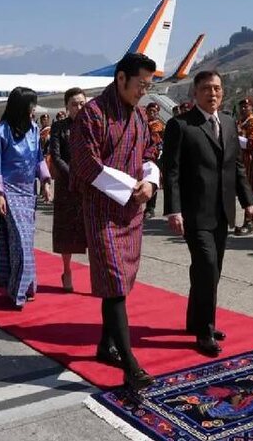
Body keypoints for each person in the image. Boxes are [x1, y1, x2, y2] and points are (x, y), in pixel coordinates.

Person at [69, 52, 159, 390]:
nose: (143, 92)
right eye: (140, 85)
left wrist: (150, 182)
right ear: (121, 78)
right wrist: (130, 187)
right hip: (102, 211)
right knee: (115, 282)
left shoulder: (139, 116)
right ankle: (130, 364)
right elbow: (86, 164)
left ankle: (105, 345)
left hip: (131, 211)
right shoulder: (92, 115)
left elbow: (150, 152)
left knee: (119, 283)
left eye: (148, 87)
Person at [161, 71, 253, 358]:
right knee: (207, 266)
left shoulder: (227, 122)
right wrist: (173, 209)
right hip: (194, 212)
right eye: (206, 89)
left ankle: (195, 320)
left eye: (216, 88)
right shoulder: (180, 125)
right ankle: (205, 331)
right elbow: (171, 171)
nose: (212, 93)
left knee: (209, 270)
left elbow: (236, 166)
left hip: (223, 211)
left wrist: (248, 202)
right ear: (195, 93)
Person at [0, 88, 53, 309]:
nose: (33, 110)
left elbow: (38, 158)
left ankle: (26, 286)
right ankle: (18, 291)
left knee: (26, 241)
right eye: (31, 106)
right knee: (20, 242)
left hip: (28, 191)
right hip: (9, 191)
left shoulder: (34, 129)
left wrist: (45, 182)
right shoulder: (0, 131)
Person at [47, 87, 88, 293]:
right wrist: (73, 175)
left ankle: (97, 273)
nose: (78, 108)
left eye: (82, 104)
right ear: (66, 106)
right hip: (67, 185)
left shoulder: (93, 125)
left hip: (90, 185)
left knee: (92, 231)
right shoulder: (59, 127)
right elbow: (56, 156)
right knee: (66, 231)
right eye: (74, 104)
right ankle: (67, 270)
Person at [234, 97, 253, 235]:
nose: (243, 109)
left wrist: (234, 138)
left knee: (249, 192)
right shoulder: (239, 122)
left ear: (252, 107)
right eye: (241, 107)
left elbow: (252, 143)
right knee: (243, 192)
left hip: (250, 161)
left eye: (246, 106)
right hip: (239, 159)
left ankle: (250, 222)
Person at [143, 102, 165, 218]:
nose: (152, 113)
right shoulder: (141, 122)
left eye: (154, 111)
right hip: (140, 155)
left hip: (154, 156)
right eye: (150, 111)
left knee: (152, 181)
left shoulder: (159, 126)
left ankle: (150, 208)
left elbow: (162, 141)